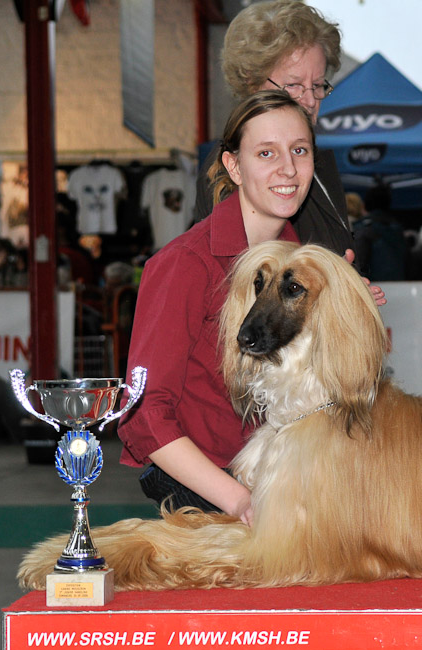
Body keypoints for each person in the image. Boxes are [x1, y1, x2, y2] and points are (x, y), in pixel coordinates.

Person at [118, 91, 317, 525]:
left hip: (289, 476)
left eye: (299, 150)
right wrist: (239, 500)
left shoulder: (307, 264)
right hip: (209, 491)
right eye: (266, 152)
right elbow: (144, 414)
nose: (288, 168)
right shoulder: (186, 264)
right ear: (233, 166)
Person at [193, 0, 353, 260]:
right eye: (293, 85)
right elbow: (244, 280)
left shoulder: (315, 162)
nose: (311, 100)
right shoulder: (231, 169)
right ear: (251, 83)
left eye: (318, 84)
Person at [351, 183, 408, 281]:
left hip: (372, 289)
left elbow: (358, 264)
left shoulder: (363, 229)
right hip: (399, 286)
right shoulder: (398, 229)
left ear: (365, 206)